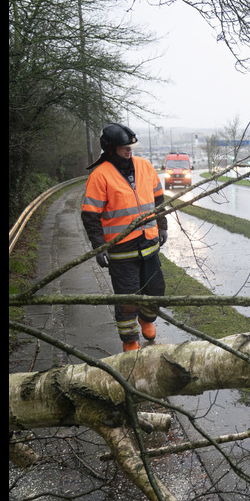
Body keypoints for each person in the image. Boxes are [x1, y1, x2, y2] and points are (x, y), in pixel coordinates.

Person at [81, 123, 169, 352]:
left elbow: (158, 199)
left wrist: (162, 225)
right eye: (124, 147)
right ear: (111, 149)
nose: (129, 150)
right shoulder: (100, 176)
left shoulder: (145, 166)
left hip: (149, 243)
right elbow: (90, 215)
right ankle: (130, 340)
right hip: (121, 249)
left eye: (130, 146)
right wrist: (98, 247)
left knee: (156, 290)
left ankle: (147, 320)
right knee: (128, 298)